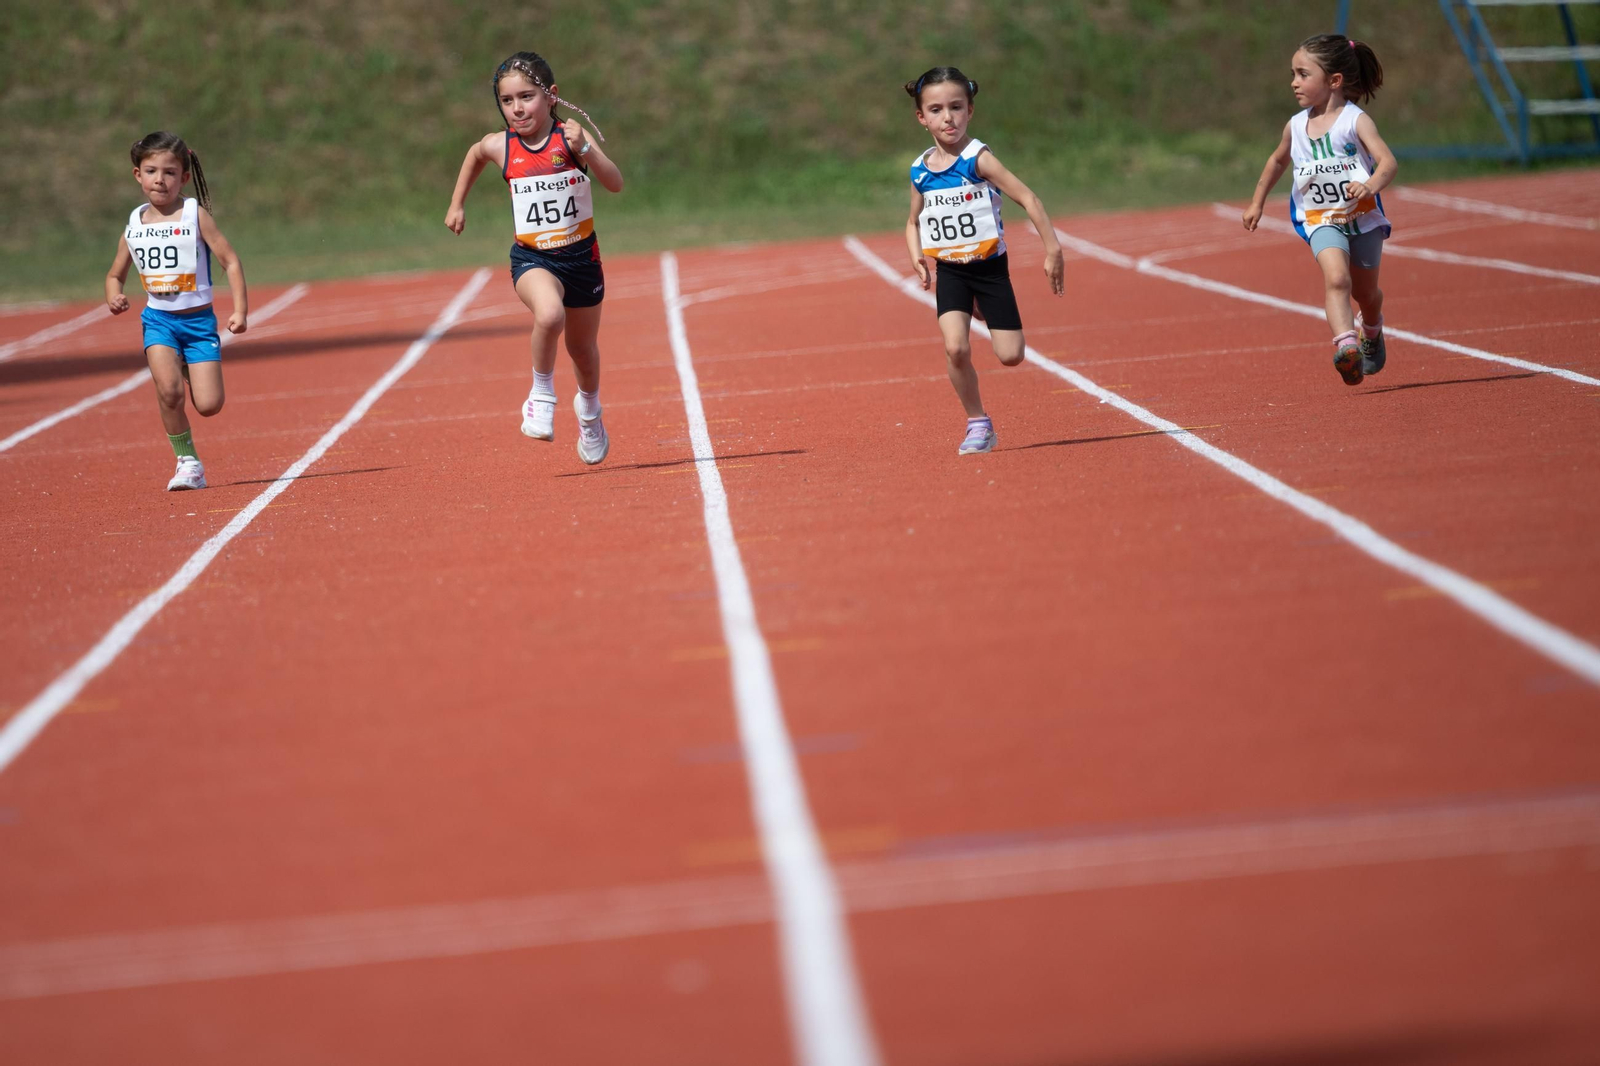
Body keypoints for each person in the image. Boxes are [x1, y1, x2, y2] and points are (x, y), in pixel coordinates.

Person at [446, 51, 624, 464]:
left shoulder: (571, 139)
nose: (517, 108)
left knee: (582, 349)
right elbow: (474, 154)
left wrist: (589, 152)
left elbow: (614, 183)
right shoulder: (500, 146)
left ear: (551, 96)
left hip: (582, 259)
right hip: (532, 260)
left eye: (525, 97)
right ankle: (541, 394)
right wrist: (457, 204)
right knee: (549, 315)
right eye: (506, 101)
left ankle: (590, 413)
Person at [903, 66, 1064, 456]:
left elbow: (1029, 199)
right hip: (952, 272)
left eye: (956, 107)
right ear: (922, 117)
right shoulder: (920, 170)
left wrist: (1053, 249)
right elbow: (912, 221)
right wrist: (916, 255)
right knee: (955, 348)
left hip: (990, 272)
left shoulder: (979, 159)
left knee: (1011, 356)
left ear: (970, 110)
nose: (948, 117)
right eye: (937, 109)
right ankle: (978, 422)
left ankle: (982, 307)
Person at [1243, 34, 1397, 385]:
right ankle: (1347, 346)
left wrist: (1370, 185)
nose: (1293, 82)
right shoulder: (1296, 126)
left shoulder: (1355, 121)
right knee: (1337, 278)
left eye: (1302, 74)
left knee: (1366, 294)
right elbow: (1277, 161)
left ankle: (1371, 329)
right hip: (1320, 219)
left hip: (1363, 219)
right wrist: (1257, 202)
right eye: (1293, 74)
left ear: (1334, 81)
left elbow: (1388, 162)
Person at [106, 132, 248, 490]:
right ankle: (188, 463)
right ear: (137, 175)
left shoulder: (193, 214)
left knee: (209, 405)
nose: (160, 180)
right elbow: (115, 273)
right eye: (151, 171)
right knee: (169, 392)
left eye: (169, 172)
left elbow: (229, 261)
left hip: (199, 323)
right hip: (159, 321)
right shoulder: (134, 222)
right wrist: (114, 295)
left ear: (184, 177)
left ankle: (185, 365)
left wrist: (240, 311)